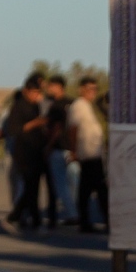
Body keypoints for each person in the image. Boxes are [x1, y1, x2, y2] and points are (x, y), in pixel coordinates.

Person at [3, 74, 49, 231]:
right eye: (34, 92)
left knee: (34, 188)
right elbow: (14, 130)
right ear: (26, 91)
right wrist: (35, 123)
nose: (36, 95)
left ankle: (33, 220)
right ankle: (14, 216)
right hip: (24, 153)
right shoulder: (18, 107)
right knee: (29, 188)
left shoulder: (35, 106)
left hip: (36, 151)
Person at [68, 76, 109, 233]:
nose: (93, 92)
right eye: (89, 89)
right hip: (88, 153)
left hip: (94, 152)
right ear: (82, 90)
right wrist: (74, 150)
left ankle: (85, 221)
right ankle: (103, 220)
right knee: (99, 188)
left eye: (95, 89)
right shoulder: (79, 106)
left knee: (86, 189)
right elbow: (73, 129)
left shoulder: (88, 106)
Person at [42, 75, 73, 228]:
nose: (49, 89)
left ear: (58, 86)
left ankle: (71, 214)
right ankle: (73, 213)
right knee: (73, 183)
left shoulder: (56, 106)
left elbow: (56, 128)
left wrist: (48, 146)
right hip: (71, 148)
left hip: (58, 148)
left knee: (60, 183)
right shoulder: (72, 103)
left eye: (51, 86)